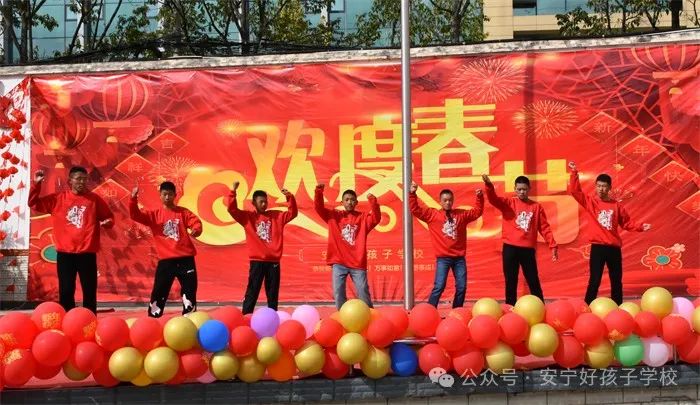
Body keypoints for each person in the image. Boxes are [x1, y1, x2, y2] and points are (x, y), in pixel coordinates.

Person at [28, 167, 114, 313]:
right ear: (70, 181)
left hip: (87, 253)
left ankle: (89, 318)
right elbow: (33, 203)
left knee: (89, 289)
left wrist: (108, 222)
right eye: (78, 179)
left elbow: (109, 217)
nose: (82, 182)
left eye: (85, 179)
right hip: (65, 254)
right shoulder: (58, 199)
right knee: (66, 290)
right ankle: (68, 318)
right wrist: (36, 184)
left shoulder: (94, 199)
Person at [568, 162, 651, 305]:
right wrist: (574, 173)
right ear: (596, 187)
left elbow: (627, 223)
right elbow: (575, 192)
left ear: (609, 188)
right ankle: (587, 307)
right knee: (595, 280)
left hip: (613, 248)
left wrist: (641, 227)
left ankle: (618, 306)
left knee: (616, 280)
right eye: (599, 186)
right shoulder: (590, 202)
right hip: (598, 248)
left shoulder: (616, 206)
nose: (601, 189)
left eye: (604, 186)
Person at [482, 174, 558, 306]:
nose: (522, 192)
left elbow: (544, 228)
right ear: (515, 189)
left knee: (533, 280)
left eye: (524, 189)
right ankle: (510, 308)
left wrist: (552, 245)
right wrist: (489, 186)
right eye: (519, 189)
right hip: (510, 248)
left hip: (527, 250)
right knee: (511, 281)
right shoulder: (509, 203)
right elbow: (493, 199)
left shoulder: (536, 207)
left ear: (529, 189)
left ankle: (540, 306)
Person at [130, 181, 202, 317]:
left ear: (175, 195)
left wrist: (196, 229)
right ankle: (153, 318)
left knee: (189, 290)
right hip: (166, 261)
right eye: (164, 194)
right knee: (159, 290)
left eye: (170, 194)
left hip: (186, 259)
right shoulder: (154, 215)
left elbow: (195, 222)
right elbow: (136, 215)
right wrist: (133, 199)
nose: (167, 197)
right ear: (160, 195)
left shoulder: (183, 212)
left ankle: (190, 318)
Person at [409, 181, 483, 308]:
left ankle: (457, 310)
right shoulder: (433, 215)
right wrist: (412, 193)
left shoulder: (461, 215)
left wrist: (479, 197)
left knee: (462, 286)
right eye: (445, 200)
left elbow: (477, 212)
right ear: (440, 201)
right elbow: (415, 210)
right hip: (443, 258)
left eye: (450, 200)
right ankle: (430, 310)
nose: (448, 202)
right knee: (439, 286)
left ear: (453, 201)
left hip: (459, 258)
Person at [228, 182, 298, 314]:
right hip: (257, 261)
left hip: (273, 262)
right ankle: (246, 316)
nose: (264, 204)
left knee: (272, 293)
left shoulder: (276, 216)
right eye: (261, 202)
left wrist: (289, 197)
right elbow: (232, 210)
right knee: (252, 290)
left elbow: (292, 213)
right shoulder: (248, 217)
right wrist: (233, 192)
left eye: (266, 202)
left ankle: (273, 317)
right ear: (253, 203)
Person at [314, 184, 380, 309]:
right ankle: (342, 315)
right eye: (347, 199)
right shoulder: (333, 216)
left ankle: (370, 314)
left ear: (356, 202)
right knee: (338, 291)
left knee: (363, 290)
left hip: (357, 263)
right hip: (339, 262)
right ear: (342, 202)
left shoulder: (363, 218)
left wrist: (373, 202)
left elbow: (376, 218)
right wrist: (318, 192)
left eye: (352, 200)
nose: (350, 202)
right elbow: (319, 208)